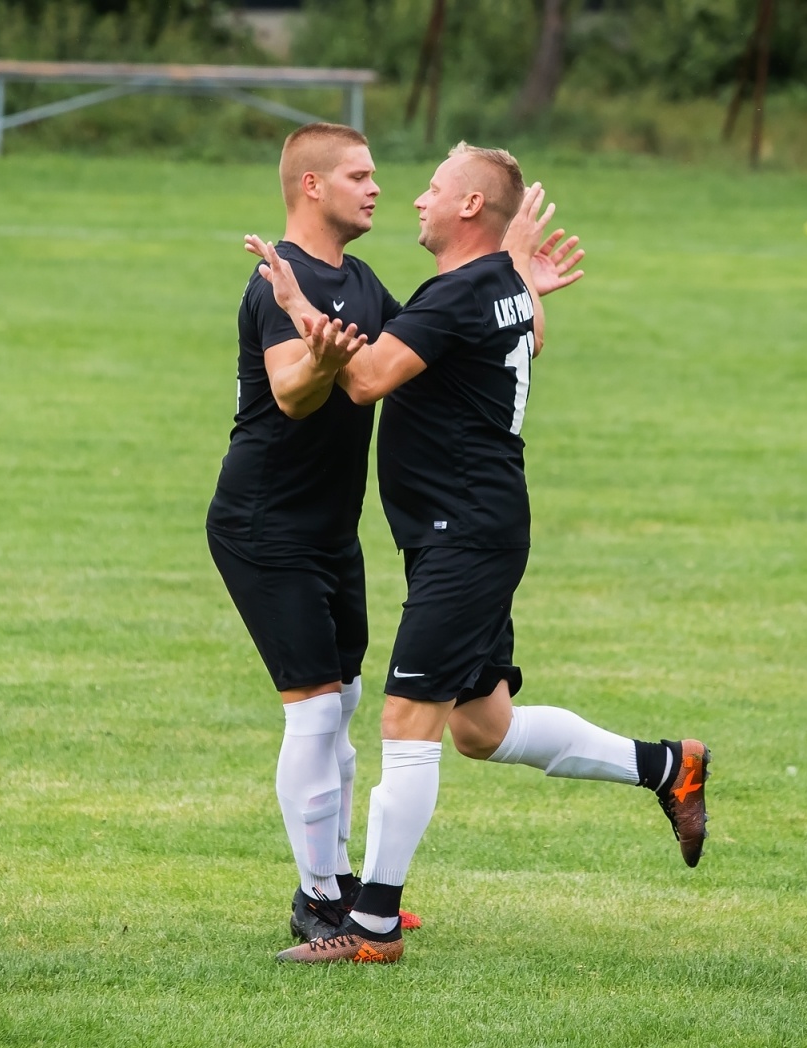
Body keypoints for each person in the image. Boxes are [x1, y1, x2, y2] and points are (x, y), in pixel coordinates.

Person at [246, 144, 710, 966]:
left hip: (462, 533)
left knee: (405, 721)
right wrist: (523, 278)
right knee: (482, 726)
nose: (412, 199)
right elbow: (522, 337)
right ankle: (667, 766)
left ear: (468, 209)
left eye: (432, 188)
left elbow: (364, 381)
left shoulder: (466, 290)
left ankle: (373, 926)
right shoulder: (496, 290)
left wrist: (296, 306)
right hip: (476, 529)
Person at [208, 124, 586, 946]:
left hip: (332, 531)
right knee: (314, 717)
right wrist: (314, 341)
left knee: (340, 705)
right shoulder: (278, 279)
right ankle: (322, 903)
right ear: (313, 186)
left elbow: (450, 340)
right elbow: (290, 395)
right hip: (264, 524)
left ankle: (343, 886)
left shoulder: (365, 283)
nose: (384, 188)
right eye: (360, 174)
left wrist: (517, 289)